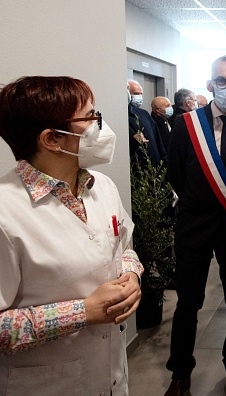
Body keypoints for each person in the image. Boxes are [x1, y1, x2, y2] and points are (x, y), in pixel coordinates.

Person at [0, 76, 143, 395]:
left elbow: (124, 248)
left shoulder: (101, 186)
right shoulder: (5, 211)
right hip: (47, 383)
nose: (100, 126)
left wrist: (132, 276)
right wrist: (82, 312)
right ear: (52, 138)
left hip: (110, 374)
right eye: (92, 117)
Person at [165, 55, 226, 396]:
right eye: (222, 81)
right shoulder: (188, 125)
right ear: (210, 84)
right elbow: (176, 174)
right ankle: (180, 373)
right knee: (188, 302)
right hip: (194, 227)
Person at [128, 79, 167, 167]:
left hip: (155, 165)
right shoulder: (122, 115)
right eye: (136, 93)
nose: (139, 97)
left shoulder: (144, 114)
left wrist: (164, 161)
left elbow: (157, 139)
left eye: (141, 94)